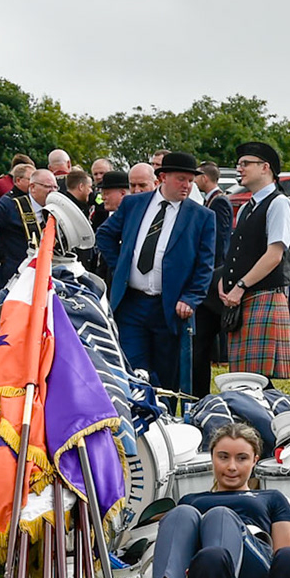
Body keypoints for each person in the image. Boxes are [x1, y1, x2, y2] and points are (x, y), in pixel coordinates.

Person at [146, 422, 290, 578]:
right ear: (212, 458)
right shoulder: (193, 500)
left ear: (255, 460)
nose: (232, 467)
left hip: (251, 561)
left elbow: (286, 558)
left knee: (220, 515)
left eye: (242, 458)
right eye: (223, 457)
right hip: (199, 566)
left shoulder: (271, 498)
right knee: (181, 512)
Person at [95, 150, 217, 403]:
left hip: (169, 307)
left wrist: (191, 298)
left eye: (190, 181)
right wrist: (121, 268)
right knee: (133, 369)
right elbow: (105, 235)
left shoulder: (202, 216)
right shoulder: (133, 204)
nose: (186, 186)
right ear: (163, 177)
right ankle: (136, 417)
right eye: (181, 179)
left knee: (166, 375)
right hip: (131, 303)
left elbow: (205, 264)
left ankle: (165, 424)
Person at [218, 142, 290, 381]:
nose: (239, 168)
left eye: (245, 164)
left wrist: (240, 286)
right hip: (244, 300)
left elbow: (274, 255)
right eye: (238, 164)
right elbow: (240, 251)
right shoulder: (246, 208)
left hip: (264, 296)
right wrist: (224, 280)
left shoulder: (280, 204)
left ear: (265, 167)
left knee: (257, 380)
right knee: (243, 378)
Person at [0, 166, 55, 296]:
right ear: (33, 188)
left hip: (45, 274)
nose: (52, 191)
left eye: (55, 187)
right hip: (16, 276)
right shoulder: (11, 206)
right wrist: (1, 252)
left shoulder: (54, 209)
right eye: (48, 187)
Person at [189, 161, 235, 397]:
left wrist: (213, 272)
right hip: (208, 279)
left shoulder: (220, 202)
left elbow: (218, 242)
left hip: (214, 278)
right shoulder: (211, 201)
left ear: (205, 178)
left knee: (206, 341)